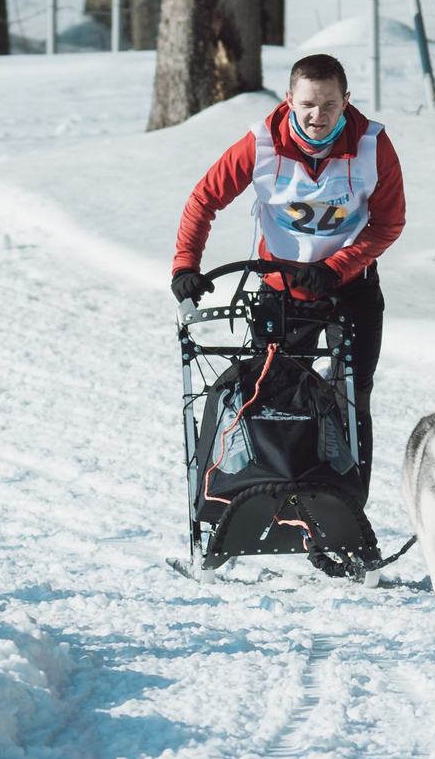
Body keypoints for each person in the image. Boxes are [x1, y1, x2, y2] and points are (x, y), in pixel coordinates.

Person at [170, 53, 406, 520]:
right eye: (307, 105)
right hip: (283, 291)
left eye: (330, 105)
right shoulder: (260, 145)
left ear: (346, 102)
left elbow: (388, 223)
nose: (318, 116)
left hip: (350, 288)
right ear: (289, 101)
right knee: (273, 394)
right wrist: (185, 266)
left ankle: (345, 516)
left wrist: (338, 266)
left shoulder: (373, 146)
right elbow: (203, 199)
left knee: (352, 396)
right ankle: (274, 508)